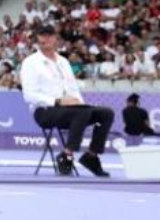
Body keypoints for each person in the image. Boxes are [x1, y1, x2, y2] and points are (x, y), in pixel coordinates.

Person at [19, 23, 113, 176]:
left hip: (70, 109)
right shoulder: (31, 63)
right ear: (37, 39)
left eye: (49, 35)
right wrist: (57, 101)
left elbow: (73, 89)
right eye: (42, 36)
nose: (46, 39)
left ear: (56, 39)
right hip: (45, 111)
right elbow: (29, 95)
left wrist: (81, 104)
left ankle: (91, 155)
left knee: (106, 113)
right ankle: (66, 155)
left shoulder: (64, 61)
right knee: (81, 113)